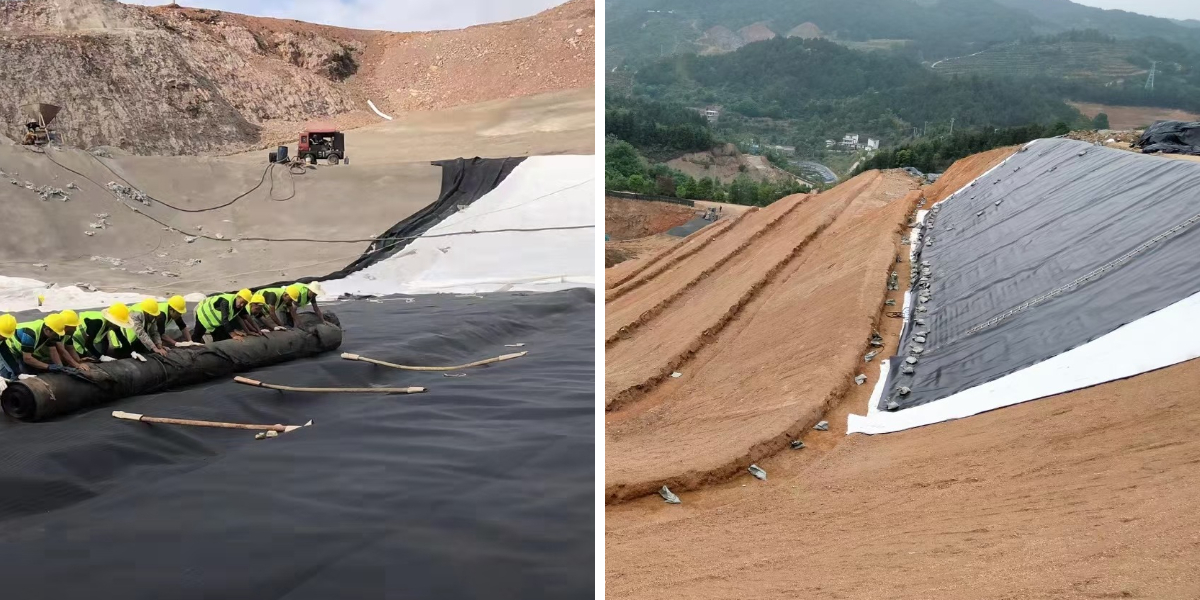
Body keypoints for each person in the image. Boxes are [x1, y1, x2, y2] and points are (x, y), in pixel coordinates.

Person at [192, 289, 261, 343]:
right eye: (242, 302)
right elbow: (225, 320)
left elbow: (246, 317)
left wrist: (257, 331)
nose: (242, 305)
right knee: (197, 336)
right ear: (238, 297)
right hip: (203, 315)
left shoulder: (240, 306)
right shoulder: (226, 302)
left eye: (245, 303)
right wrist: (233, 335)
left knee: (221, 339)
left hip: (216, 322)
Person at [0, 314, 21, 380]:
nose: (4, 338)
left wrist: (18, 373)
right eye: (2, 335)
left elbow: (7, 356)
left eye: (6, 336)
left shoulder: (1, 340)